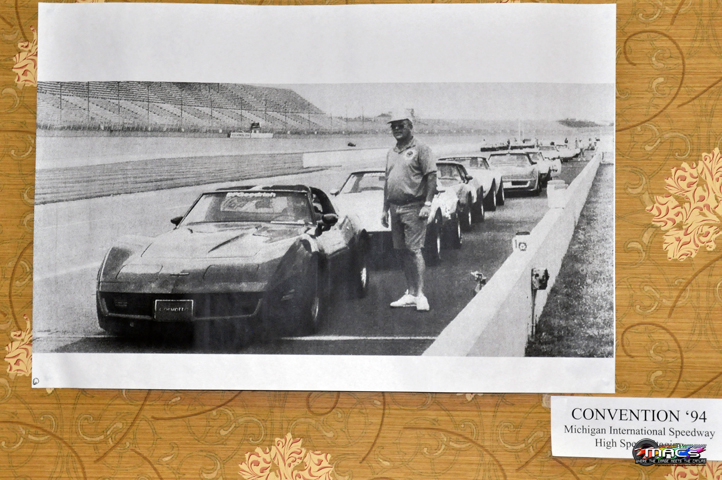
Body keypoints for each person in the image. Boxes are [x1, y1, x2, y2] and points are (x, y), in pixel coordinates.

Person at [381, 110, 437, 311]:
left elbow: (431, 177)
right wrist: (384, 209)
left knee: (414, 250)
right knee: (401, 251)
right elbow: (388, 181)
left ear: (410, 126)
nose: (396, 129)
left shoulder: (421, 148)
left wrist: (427, 204)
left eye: (401, 125)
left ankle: (420, 294)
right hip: (394, 207)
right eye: (393, 126)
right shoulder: (391, 152)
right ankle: (410, 292)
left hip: (414, 206)